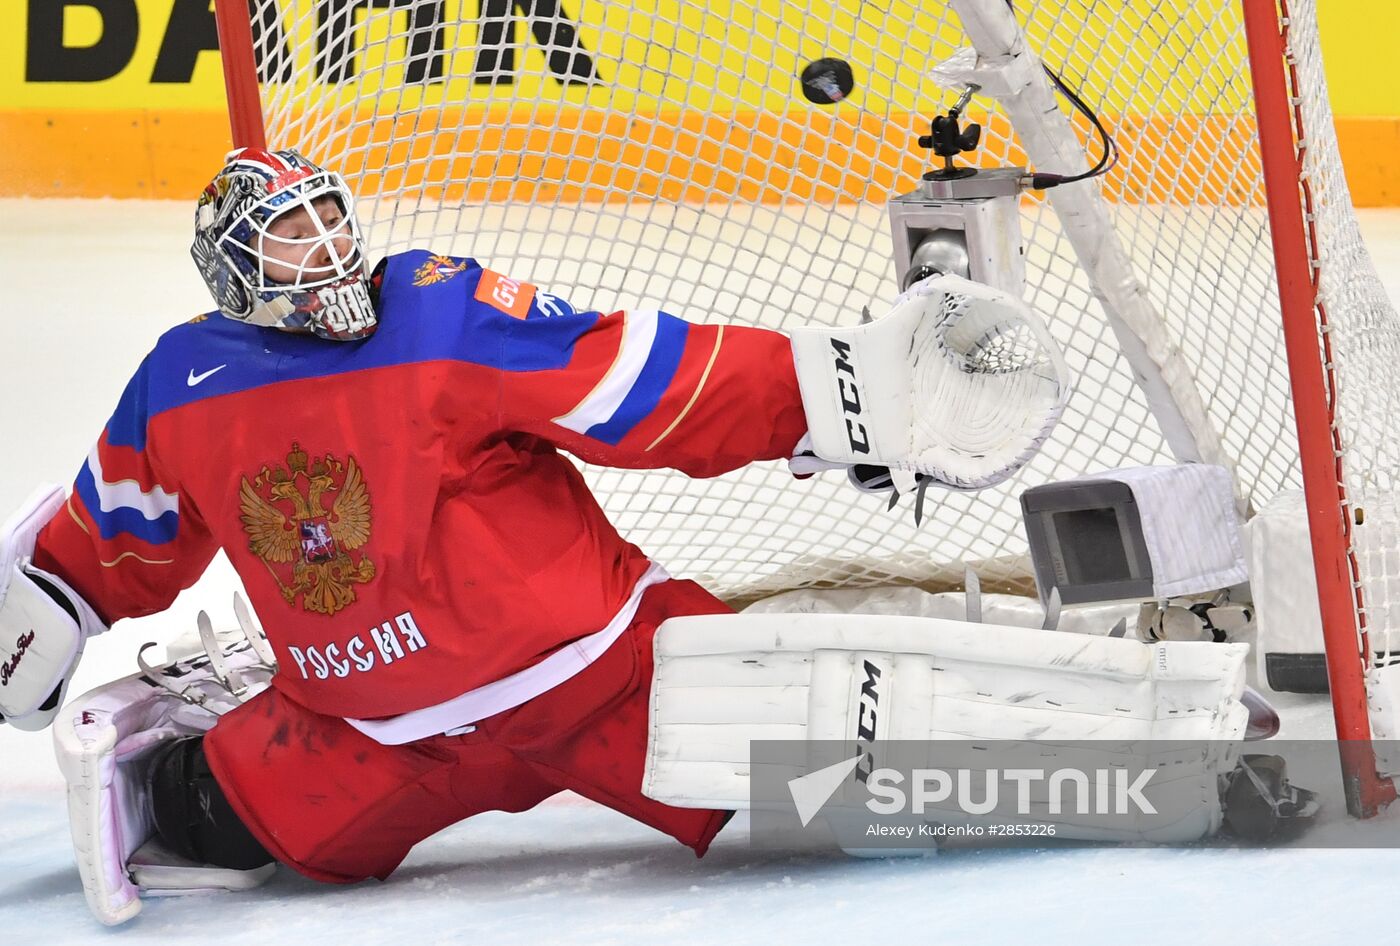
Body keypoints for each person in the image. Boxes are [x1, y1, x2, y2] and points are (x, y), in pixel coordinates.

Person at [0, 148, 1068, 899]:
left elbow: (633, 379)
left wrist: (824, 400)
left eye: (330, 217)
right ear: (233, 270)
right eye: (288, 237)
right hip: (376, 738)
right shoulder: (178, 382)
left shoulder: (435, 307)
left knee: (855, 775)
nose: (323, 248)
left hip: (606, 683)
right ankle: (214, 766)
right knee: (206, 819)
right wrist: (47, 600)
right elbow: (119, 527)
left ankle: (1093, 755)